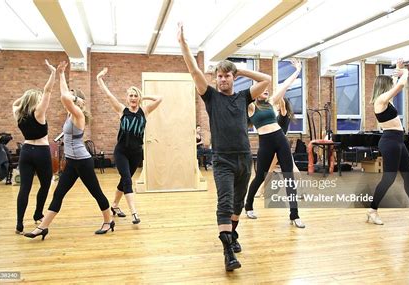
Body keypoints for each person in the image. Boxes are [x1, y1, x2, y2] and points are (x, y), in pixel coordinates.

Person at [178, 22, 271, 271]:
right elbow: (194, 71)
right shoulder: (210, 96)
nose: (221, 79)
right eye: (218, 76)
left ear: (233, 78)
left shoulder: (243, 97)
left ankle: (232, 235)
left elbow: (267, 79)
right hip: (222, 159)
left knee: (238, 204)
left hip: (243, 158)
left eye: (226, 75)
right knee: (225, 201)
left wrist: (241, 70)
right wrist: (184, 45)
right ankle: (228, 250)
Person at [24, 61, 114, 240]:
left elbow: (65, 97)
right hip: (72, 161)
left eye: (73, 97)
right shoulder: (70, 113)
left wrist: (74, 98)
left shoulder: (78, 115)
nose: (69, 97)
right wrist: (61, 74)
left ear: (78, 101)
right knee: (59, 193)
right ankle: (43, 227)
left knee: (95, 192)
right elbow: (64, 94)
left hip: (83, 160)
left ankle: (108, 220)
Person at [367, 59, 409, 225]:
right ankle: (372, 210)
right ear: (384, 86)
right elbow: (401, 85)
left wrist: (398, 68)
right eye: (390, 84)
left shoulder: (385, 100)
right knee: (388, 178)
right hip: (390, 142)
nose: (392, 86)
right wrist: (406, 73)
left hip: (398, 141)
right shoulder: (380, 100)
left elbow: (396, 83)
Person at [96, 67, 162, 224]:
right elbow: (107, 94)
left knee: (124, 180)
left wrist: (143, 96)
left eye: (135, 96)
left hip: (136, 153)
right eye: (131, 96)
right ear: (127, 98)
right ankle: (134, 213)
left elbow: (160, 98)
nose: (133, 98)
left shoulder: (144, 111)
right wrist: (99, 78)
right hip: (121, 151)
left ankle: (114, 205)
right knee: (127, 180)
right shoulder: (121, 110)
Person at [244, 59, 304, 228]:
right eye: (262, 89)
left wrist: (297, 71)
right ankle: (248, 205)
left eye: (267, 90)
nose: (266, 91)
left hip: (280, 139)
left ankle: (294, 214)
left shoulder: (270, 103)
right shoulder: (250, 107)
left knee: (289, 177)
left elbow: (284, 85)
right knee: (260, 177)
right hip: (266, 143)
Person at [12, 60, 56, 234]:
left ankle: (19, 224)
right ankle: (38, 213)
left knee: (25, 188)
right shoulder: (39, 113)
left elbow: (16, 103)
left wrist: (26, 96)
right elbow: (48, 91)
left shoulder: (18, 113)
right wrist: (53, 73)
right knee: (45, 185)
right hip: (41, 152)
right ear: (36, 101)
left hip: (26, 152)